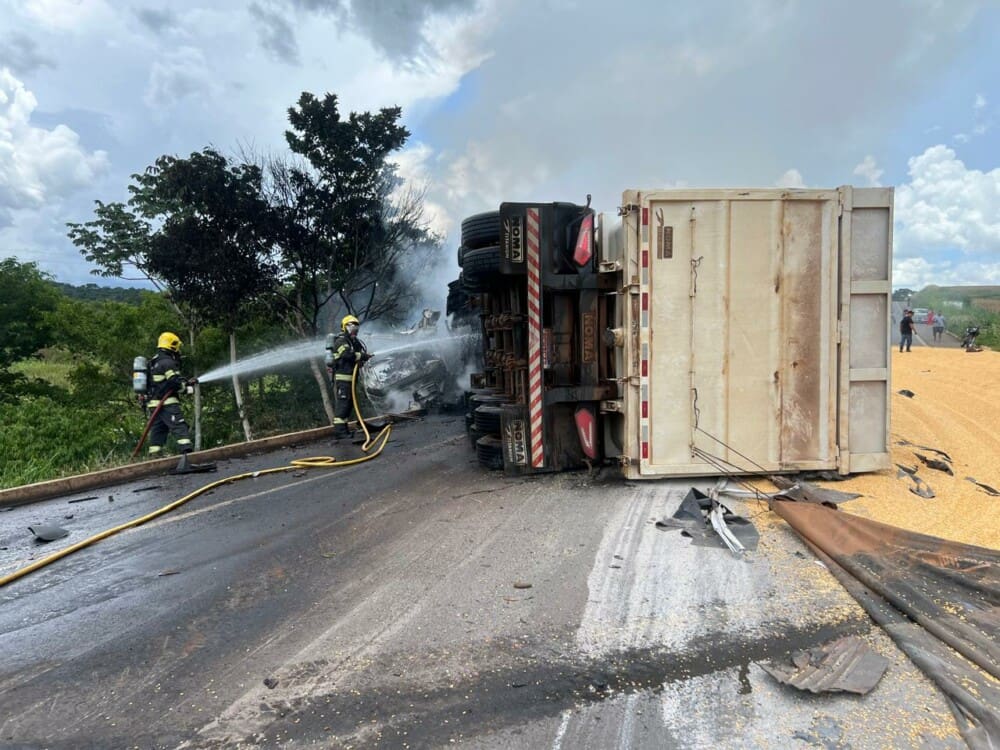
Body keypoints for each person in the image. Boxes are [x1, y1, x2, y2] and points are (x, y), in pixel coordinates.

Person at [147, 331, 195, 456]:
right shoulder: (168, 362)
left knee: (158, 431)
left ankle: (155, 458)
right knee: (179, 427)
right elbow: (174, 382)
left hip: (153, 404)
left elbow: (161, 383)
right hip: (167, 403)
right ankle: (188, 455)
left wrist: (185, 383)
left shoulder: (153, 362)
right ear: (172, 345)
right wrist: (186, 389)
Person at [327, 315, 373, 439]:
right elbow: (347, 355)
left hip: (350, 379)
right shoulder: (341, 341)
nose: (355, 330)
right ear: (345, 327)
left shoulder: (352, 341)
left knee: (348, 404)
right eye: (352, 327)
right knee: (343, 404)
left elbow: (355, 355)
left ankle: (344, 431)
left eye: (356, 327)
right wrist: (361, 356)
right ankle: (340, 432)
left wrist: (362, 357)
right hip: (343, 379)